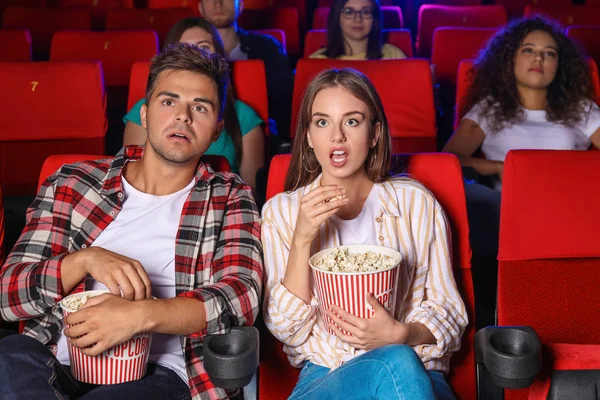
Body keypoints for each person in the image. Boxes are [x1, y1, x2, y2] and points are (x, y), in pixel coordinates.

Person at [0, 44, 263, 400]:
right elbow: (8, 293)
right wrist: (86, 259)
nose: (183, 116)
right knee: (9, 358)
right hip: (54, 364)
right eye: (169, 102)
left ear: (216, 130)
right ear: (144, 114)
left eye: (199, 107)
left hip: (161, 376)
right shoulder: (74, 182)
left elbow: (240, 297)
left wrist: (141, 316)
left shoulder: (229, 195)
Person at [261, 68, 467, 400]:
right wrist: (302, 239)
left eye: (352, 121)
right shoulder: (280, 213)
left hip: (417, 371)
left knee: (398, 359)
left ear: (374, 134)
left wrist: (402, 334)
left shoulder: (416, 202)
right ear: (309, 137)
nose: (337, 136)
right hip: (326, 375)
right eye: (323, 122)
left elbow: (449, 311)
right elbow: (288, 330)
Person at [442, 16, 600, 314]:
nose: (538, 57)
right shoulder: (490, 109)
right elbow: (448, 162)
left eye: (549, 52)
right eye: (528, 49)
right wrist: (502, 168)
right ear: (510, 60)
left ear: (559, 64)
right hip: (507, 212)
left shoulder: (582, 110)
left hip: (570, 211)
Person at [124, 17, 265, 191]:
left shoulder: (244, 115)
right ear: (145, 115)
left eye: (204, 47)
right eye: (168, 102)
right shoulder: (143, 109)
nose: (195, 53)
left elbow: (252, 188)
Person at [199, 0, 293, 139]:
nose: (218, 3)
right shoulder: (193, 52)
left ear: (240, 5)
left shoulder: (268, 47)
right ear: (201, 9)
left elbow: (284, 101)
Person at [309, 0, 406, 60]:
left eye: (366, 11)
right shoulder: (316, 60)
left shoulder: (394, 55)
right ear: (336, 17)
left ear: (375, 18)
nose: (358, 19)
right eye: (349, 12)